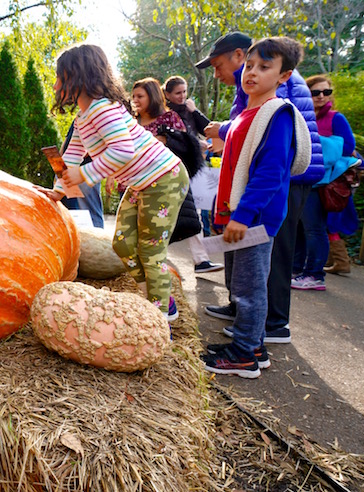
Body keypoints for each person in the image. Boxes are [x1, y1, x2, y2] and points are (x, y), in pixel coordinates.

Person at [37, 44, 189, 322]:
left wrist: (84, 175)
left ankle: (159, 319)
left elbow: (122, 151)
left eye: (60, 76)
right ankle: (156, 298)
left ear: (76, 76)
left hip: (163, 177)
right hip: (142, 183)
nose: (56, 83)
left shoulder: (102, 110)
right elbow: (71, 156)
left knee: (150, 251)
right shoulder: (84, 116)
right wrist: (59, 192)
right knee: (122, 244)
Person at [197, 32, 324, 345]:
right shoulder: (248, 114)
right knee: (241, 284)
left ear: (284, 75)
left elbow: (270, 171)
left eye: (263, 67)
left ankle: (248, 349)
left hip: (254, 218)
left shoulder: (277, 114)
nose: (251, 72)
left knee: (252, 287)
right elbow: (236, 139)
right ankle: (246, 338)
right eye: (249, 66)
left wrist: (244, 213)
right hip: (241, 214)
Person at [293, 74, 361, 280]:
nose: (321, 96)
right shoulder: (301, 116)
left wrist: (318, 142)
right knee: (299, 227)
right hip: (302, 177)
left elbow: (348, 147)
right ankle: (296, 269)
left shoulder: (335, 118)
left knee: (315, 228)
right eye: (316, 92)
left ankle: (314, 274)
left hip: (324, 181)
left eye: (326, 92)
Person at [162, 76, 224, 273]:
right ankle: (158, 255)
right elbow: (177, 140)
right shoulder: (166, 114)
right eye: (178, 93)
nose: (182, 96)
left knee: (193, 213)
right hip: (172, 168)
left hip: (192, 168)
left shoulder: (188, 111)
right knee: (169, 214)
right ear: (167, 94)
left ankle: (201, 260)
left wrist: (193, 111)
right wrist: (197, 144)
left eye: (184, 92)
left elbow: (210, 130)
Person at [59, 122, 105, 228]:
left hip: (87, 168)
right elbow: (68, 143)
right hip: (69, 168)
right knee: (72, 208)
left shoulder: (99, 115)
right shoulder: (79, 117)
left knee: (89, 208)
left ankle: (98, 236)